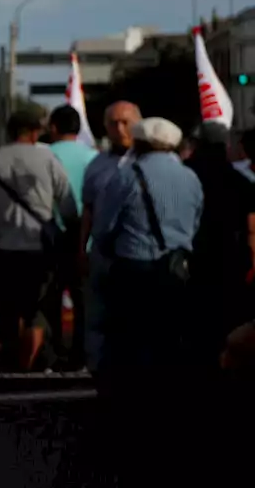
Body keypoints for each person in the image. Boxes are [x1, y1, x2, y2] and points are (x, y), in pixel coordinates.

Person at [91, 118, 202, 375]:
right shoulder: (190, 177)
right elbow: (195, 222)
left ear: (138, 144)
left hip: (133, 267)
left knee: (130, 337)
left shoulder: (125, 176)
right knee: (169, 335)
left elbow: (104, 227)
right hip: (176, 269)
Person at [0, 110, 76, 372]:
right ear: (33, 132)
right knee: (36, 312)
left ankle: (8, 363)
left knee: (6, 311)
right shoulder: (48, 157)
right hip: (39, 248)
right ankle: (32, 363)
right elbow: (67, 203)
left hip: (3, 249)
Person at [183, 122, 255, 369]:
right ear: (224, 146)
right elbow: (251, 227)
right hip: (232, 261)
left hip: (194, 260)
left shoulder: (185, 175)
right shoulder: (240, 180)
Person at [81, 100, 141, 372]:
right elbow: (88, 211)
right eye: (113, 123)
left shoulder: (151, 161)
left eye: (125, 122)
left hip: (140, 255)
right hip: (103, 255)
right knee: (99, 315)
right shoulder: (96, 165)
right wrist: (81, 250)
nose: (119, 129)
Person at [46, 105, 98, 369]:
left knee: (51, 298)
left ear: (53, 127)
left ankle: (55, 350)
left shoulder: (44, 154)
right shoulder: (94, 157)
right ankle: (79, 353)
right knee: (82, 300)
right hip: (84, 238)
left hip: (49, 236)